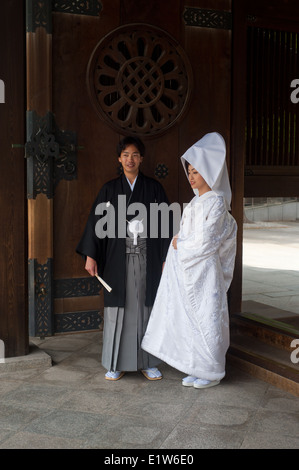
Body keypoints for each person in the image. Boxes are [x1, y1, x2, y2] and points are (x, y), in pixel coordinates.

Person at [141, 132, 237, 389]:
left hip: (205, 271)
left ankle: (212, 370)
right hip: (189, 269)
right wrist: (178, 243)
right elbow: (186, 235)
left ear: (210, 172)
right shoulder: (195, 202)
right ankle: (197, 366)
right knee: (191, 319)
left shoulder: (216, 203)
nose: (192, 176)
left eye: (197, 171)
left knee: (208, 318)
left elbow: (207, 241)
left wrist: (177, 244)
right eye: (190, 171)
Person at [76, 136, 172, 381]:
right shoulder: (109, 189)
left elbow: (166, 226)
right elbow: (96, 223)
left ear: (141, 158)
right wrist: (90, 255)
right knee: (118, 310)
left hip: (147, 258)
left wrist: (165, 257)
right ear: (119, 159)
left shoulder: (153, 188)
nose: (130, 159)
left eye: (135, 154)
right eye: (126, 154)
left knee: (146, 308)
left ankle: (148, 362)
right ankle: (115, 362)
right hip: (117, 258)